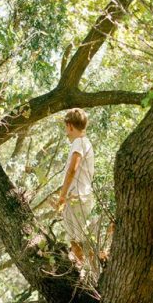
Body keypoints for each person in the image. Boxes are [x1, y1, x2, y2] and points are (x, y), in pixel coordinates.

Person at [56, 108, 96, 270]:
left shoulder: (79, 143)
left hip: (77, 198)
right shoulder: (84, 143)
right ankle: (84, 273)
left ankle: (91, 275)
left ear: (70, 126)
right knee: (75, 241)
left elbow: (73, 169)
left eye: (66, 127)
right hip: (79, 197)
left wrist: (62, 196)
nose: (66, 132)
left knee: (81, 242)